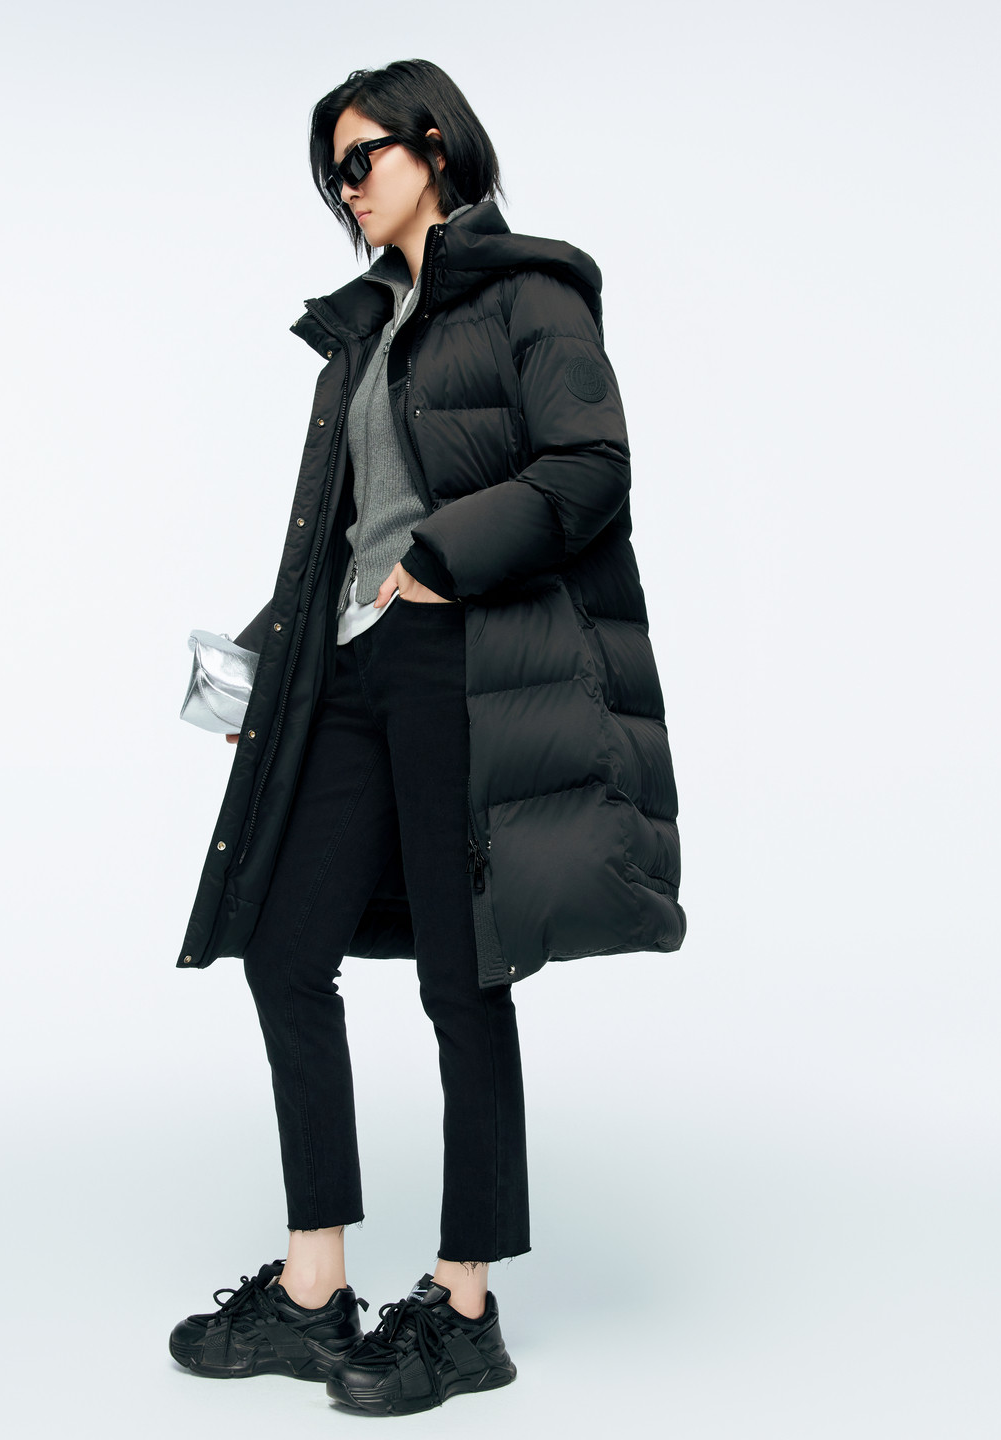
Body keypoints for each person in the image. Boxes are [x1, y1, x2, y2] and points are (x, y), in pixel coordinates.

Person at [169, 59, 685, 1416]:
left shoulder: (531, 295)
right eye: (329, 172)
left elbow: (589, 469)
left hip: (461, 665)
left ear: (436, 145)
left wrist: (443, 565)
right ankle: (313, 1290)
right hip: (349, 665)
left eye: (362, 159)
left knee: (464, 980)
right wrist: (262, 670)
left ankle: (464, 1309)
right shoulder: (365, 333)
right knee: (284, 950)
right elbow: (346, 538)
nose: (345, 188)